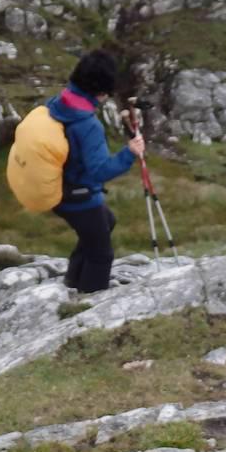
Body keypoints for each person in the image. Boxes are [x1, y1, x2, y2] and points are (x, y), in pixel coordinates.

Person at [47, 51, 144, 294]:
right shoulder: (88, 125)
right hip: (77, 195)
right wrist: (130, 152)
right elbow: (100, 171)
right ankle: (89, 302)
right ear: (101, 91)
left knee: (105, 222)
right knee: (102, 255)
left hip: (59, 186)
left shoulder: (60, 102)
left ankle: (73, 281)